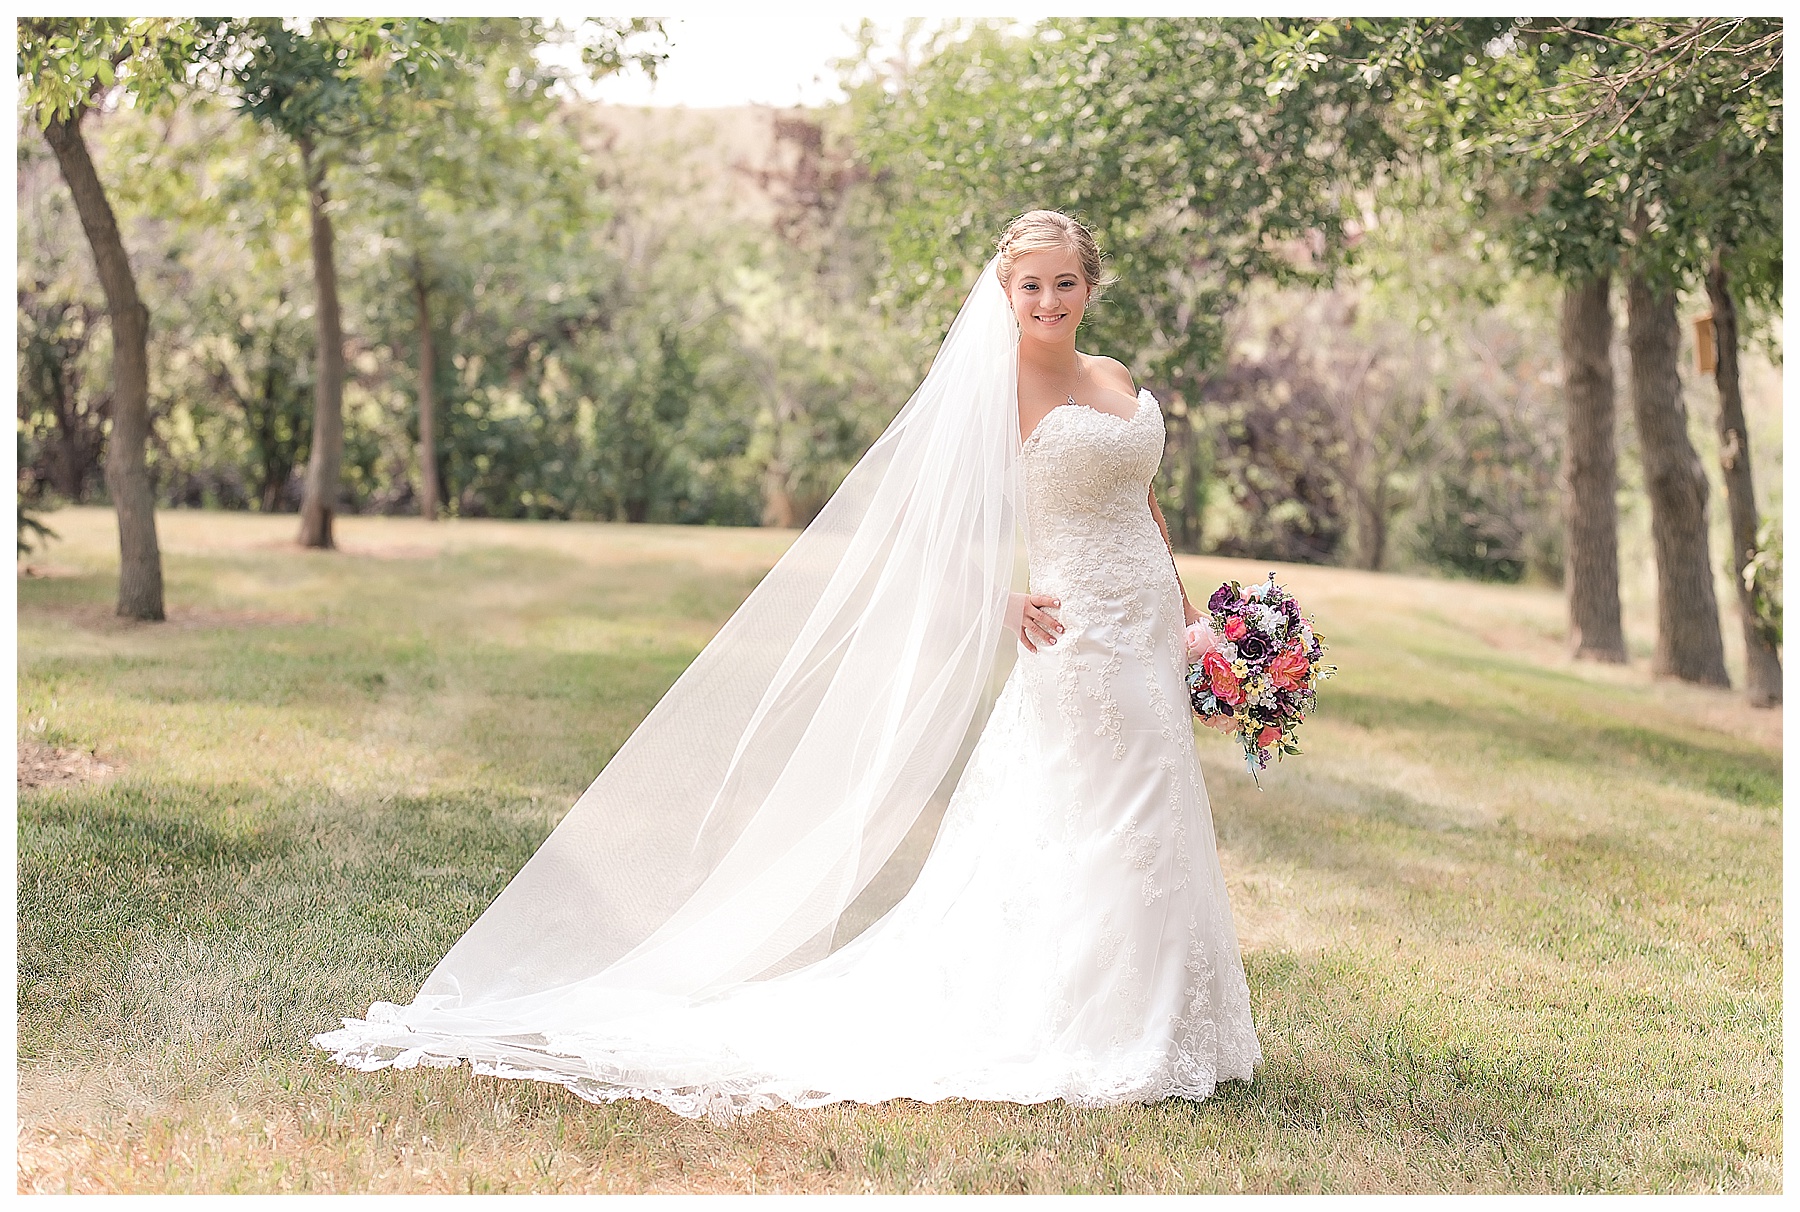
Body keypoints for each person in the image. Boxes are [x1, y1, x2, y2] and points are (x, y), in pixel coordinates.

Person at [317, 210, 1262, 1119]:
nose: (1049, 300)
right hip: (1080, 642)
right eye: (1031, 285)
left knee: (1156, 804)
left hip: (1148, 626)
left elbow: (1144, 506)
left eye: (1065, 283)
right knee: (1113, 810)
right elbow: (925, 530)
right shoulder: (997, 385)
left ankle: (1174, 1020)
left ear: (1090, 285)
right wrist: (1001, 602)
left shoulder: (1112, 373)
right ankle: (1110, 1029)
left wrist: (1191, 616)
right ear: (1005, 293)